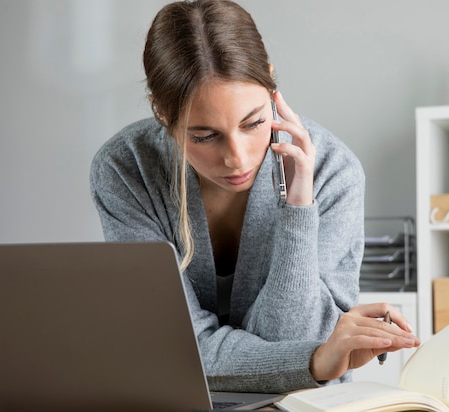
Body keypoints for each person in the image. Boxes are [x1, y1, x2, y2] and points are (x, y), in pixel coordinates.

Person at [90, 0, 419, 394]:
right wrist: (313, 360)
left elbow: (291, 335)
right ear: (161, 111)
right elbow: (176, 348)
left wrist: (299, 209)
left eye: (254, 122)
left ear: (271, 83)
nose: (237, 158)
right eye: (204, 136)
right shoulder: (127, 168)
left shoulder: (333, 170)